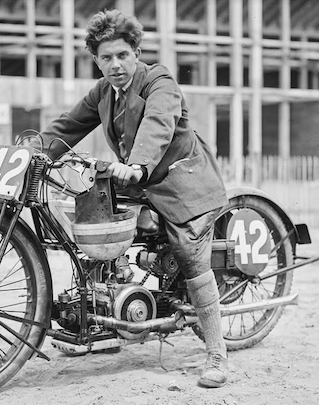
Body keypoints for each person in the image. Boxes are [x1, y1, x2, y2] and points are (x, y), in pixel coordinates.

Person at [37, 10, 229, 388]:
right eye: (106, 58)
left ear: (136, 53)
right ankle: (107, 315)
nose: (116, 65)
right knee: (93, 211)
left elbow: (158, 123)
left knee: (190, 253)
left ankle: (217, 353)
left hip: (181, 182)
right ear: (96, 61)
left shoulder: (159, 81)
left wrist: (138, 164)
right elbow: (68, 125)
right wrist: (32, 150)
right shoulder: (103, 92)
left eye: (123, 55)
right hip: (139, 181)